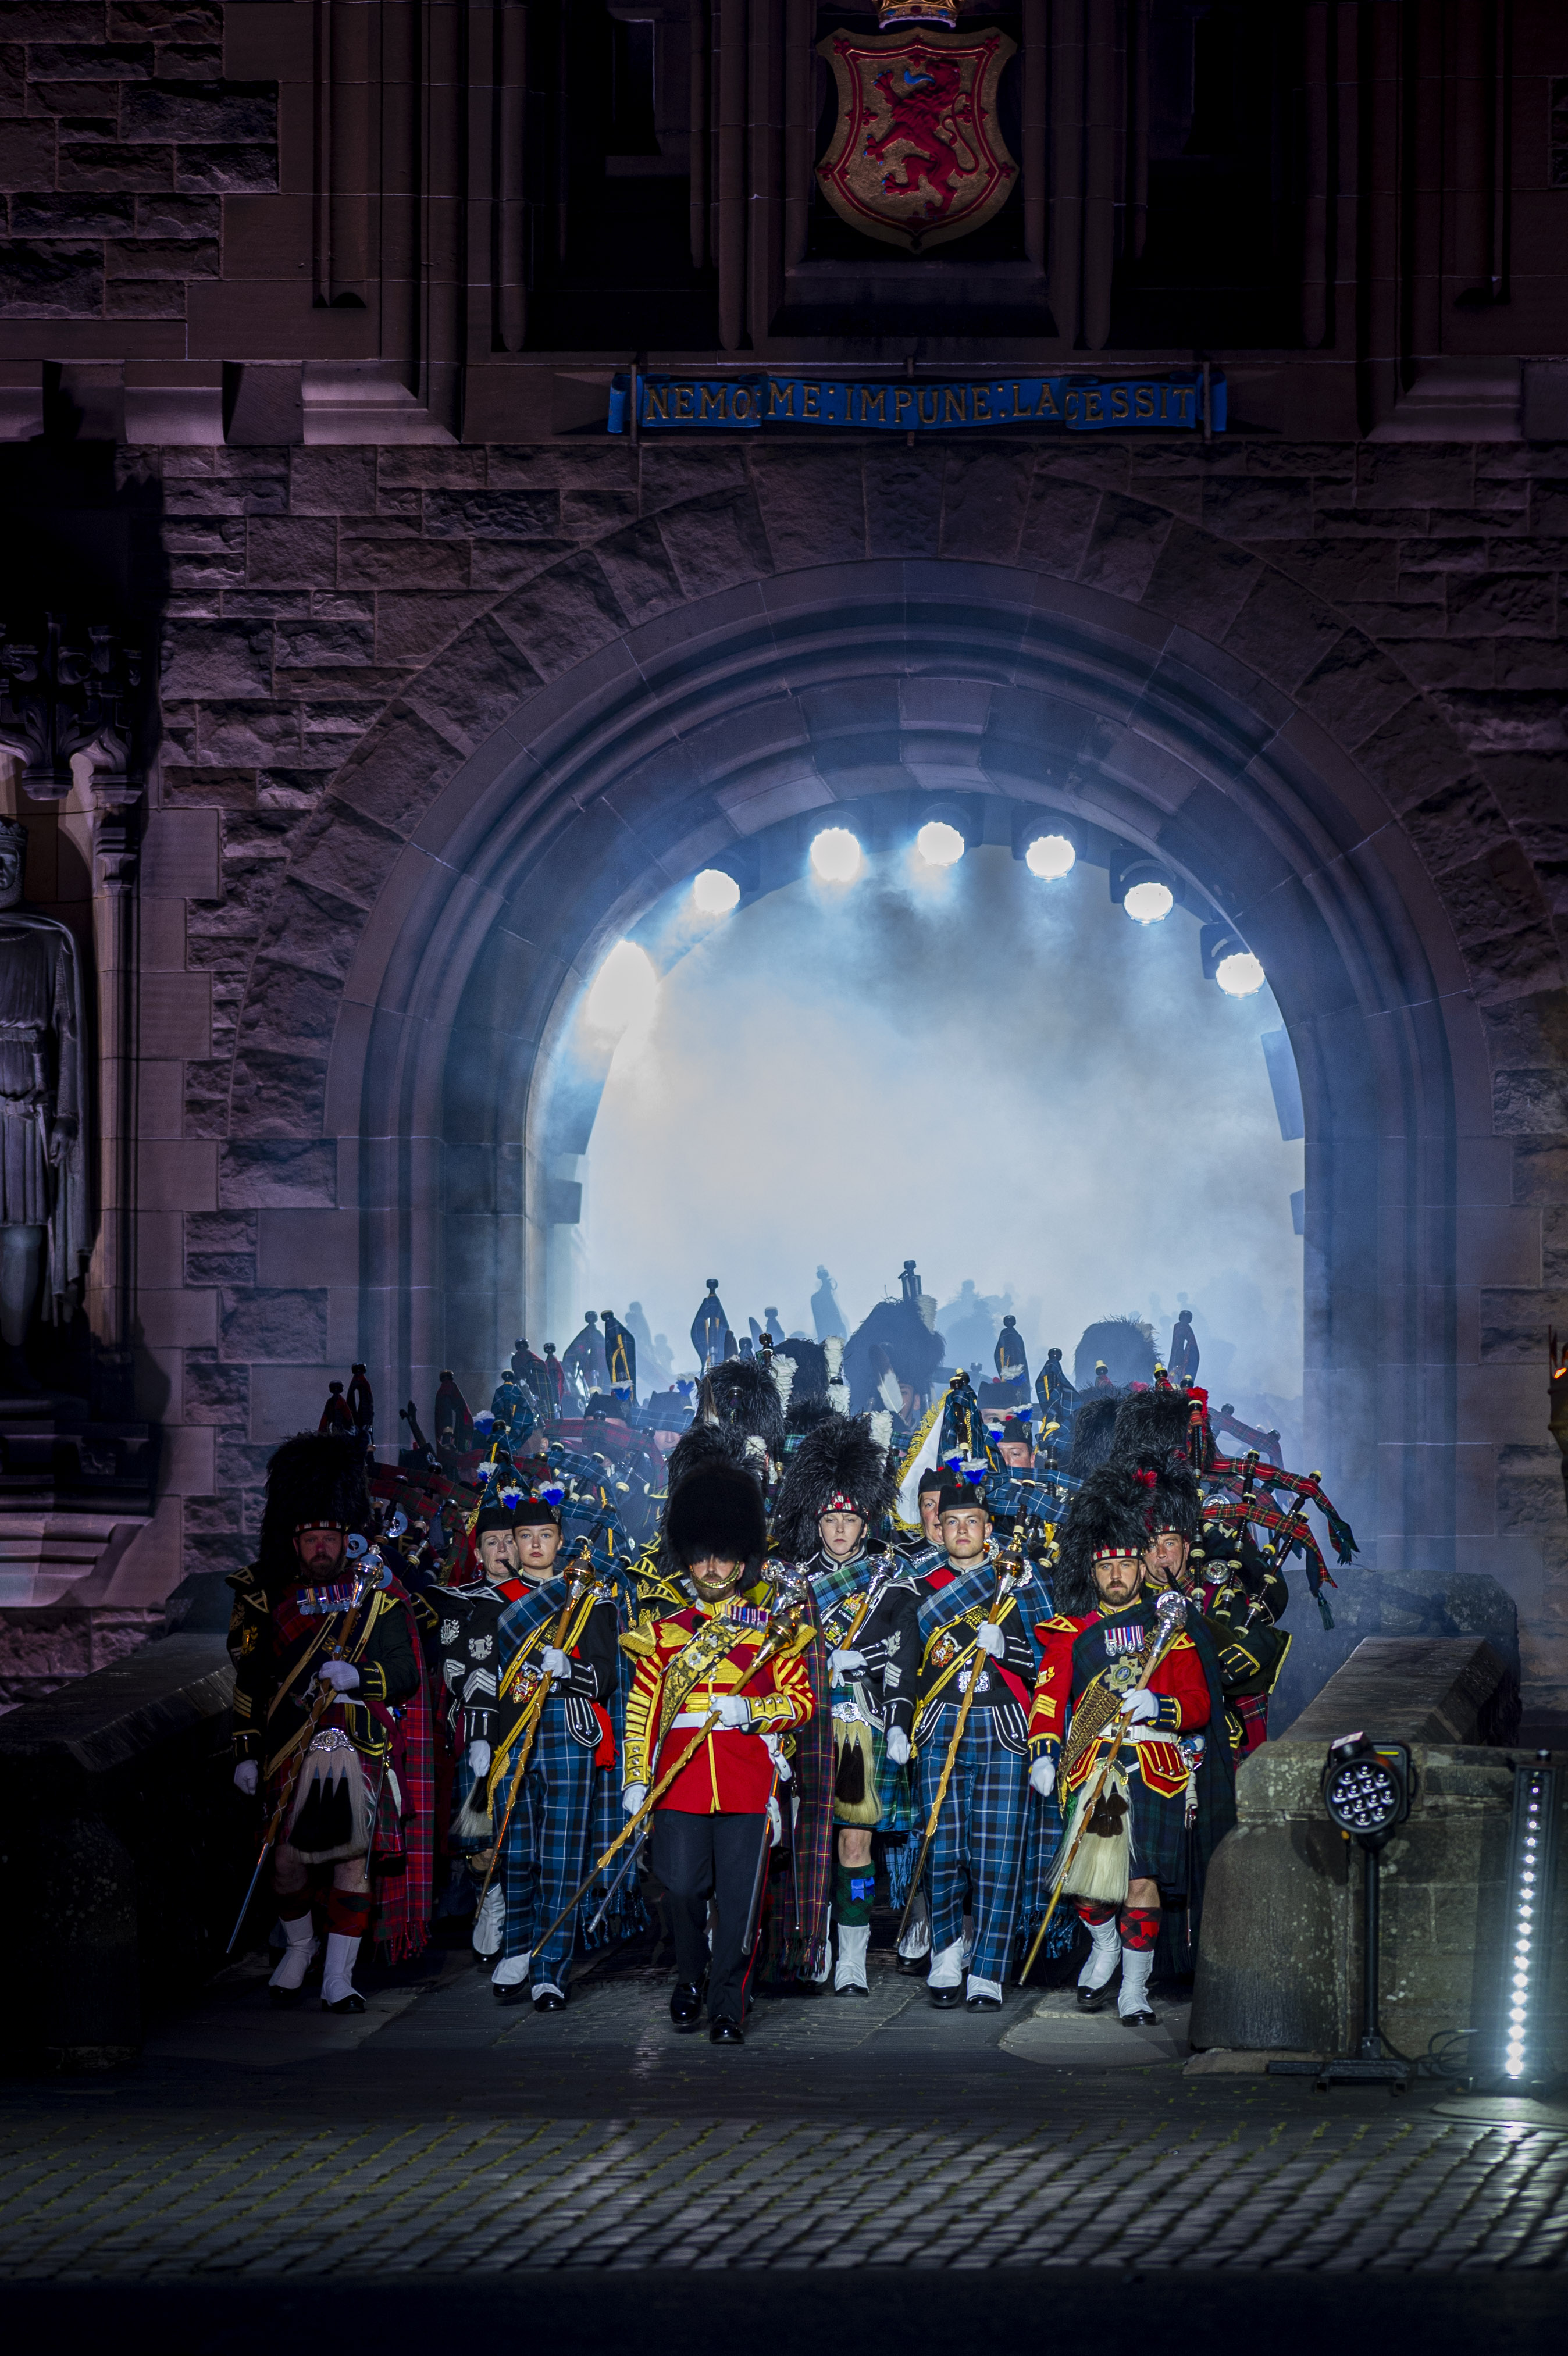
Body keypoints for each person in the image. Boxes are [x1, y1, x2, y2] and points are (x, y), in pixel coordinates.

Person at [227, 1433, 434, 2012]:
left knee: (351, 1856)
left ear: (347, 1537)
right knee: (287, 1861)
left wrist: (357, 1677)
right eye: (310, 1537)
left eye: (330, 1537)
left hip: (359, 1741)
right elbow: (250, 1681)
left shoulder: (379, 1598)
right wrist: (245, 1750)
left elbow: (405, 1674)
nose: (321, 1547)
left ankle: (338, 1978)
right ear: (294, 1540)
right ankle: (300, 1945)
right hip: (291, 1743)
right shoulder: (264, 1600)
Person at [1027, 1460, 1234, 2026]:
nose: (1116, 1574)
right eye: (1106, 1566)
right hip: (1094, 1765)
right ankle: (1103, 1945)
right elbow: (1048, 1700)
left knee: (1141, 1881)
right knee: (1090, 1888)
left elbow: (1199, 1703)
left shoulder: (1170, 1624)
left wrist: (1158, 1706)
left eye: (1124, 1562)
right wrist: (1044, 1753)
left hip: (1155, 1766)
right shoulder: (1069, 1633)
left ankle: (1133, 1992)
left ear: (1141, 1564)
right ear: (1092, 1572)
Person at [621, 1462, 817, 2044]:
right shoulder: (662, 1634)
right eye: (702, 1556)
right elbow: (641, 1715)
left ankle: (727, 2002)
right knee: (679, 1887)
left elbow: (801, 1703)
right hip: (677, 1785)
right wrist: (636, 1779)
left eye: (724, 1557)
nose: (712, 1568)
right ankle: (690, 1974)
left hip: (745, 1779)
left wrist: (751, 1713)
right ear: (688, 1560)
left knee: (740, 1901)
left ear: (741, 1562)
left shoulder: (768, 1632)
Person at [772, 1412, 917, 1994]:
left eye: (848, 1519)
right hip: (809, 1723)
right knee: (812, 1843)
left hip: (866, 1722)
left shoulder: (892, 1579)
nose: (838, 1530)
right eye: (830, 1519)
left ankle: (853, 1953)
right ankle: (817, 1943)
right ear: (818, 1521)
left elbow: (906, 1657)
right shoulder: (793, 1582)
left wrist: (900, 1719)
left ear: (864, 1522)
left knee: (855, 1845)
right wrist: (822, 1664)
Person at [482, 1498, 620, 2008]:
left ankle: (549, 1966)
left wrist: (571, 1671)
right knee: (517, 1853)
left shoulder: (592, 1598)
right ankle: (517, 1946)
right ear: (513, 1545)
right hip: (514, 1732)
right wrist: (481, 1741)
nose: (536, 1544)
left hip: (569, 1730)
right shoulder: (495, 1601)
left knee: (562, 1855)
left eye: (545, 1534)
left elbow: (607, 1674)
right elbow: (483, 1682)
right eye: (525, 1536)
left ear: (561, 1541)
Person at [910, 1487, 1040, 2010]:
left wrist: (1006, 1646)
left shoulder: (1023, 1577)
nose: (963, 1530)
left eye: (974, 1521)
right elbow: (904, 1654)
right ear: (938, 1529)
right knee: (940, 1845)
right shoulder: (918, 1583)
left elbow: (1051, 1656)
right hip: (940, 1720)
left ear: (990, 1529)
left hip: (1004, 1723)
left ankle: (988, 1969)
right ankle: (946, 1952)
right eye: (952, 1521)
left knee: (997, 1853)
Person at [436, 1487, 536, 1962]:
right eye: (491, 1543)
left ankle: (521, 1913)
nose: (502, 1551)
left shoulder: (544, 1595)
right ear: (478, 1552)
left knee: (527, 1832)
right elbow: (455, 1668)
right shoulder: (460, 1600)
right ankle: (490, 1899)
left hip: (534, 1727)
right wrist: (480, 1719)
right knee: (480, 1840)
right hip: (481, 1732)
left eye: (508, 1541)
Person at [690, 1279, 729, 1372]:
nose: (713, 1307)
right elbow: (697, 1330)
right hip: (709, 1359)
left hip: (716, 1357)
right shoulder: (704, 1314)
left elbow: (724, 1329)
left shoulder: (717, 1314)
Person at [1168, 1309, 1200, 1386]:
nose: (1185, 1320)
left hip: (1183, 1361)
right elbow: (1176, 1345)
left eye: (1187, 1318)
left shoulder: (1188, 1329)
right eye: (1184, 1317)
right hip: (1176, 1360)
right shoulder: (1178, 1326)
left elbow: (1192, 1348)